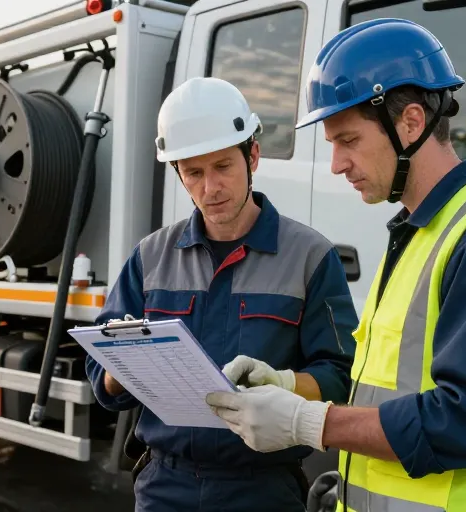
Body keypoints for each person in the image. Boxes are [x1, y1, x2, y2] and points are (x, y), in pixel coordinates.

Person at [205, 18, 466, 512]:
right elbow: (390, 393)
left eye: (348, 140)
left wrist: (308, 423)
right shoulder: (421, 231)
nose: (336, 164)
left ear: (412, 123)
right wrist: (289, 387)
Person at [85, 76, 358, 511]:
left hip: (263, 490)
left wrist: (285, 383)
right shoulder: (149, 257)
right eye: (193, 172)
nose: (209, 188)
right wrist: (121, 364)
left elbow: (343, 379)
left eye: (222, 167)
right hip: (164, 487)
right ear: (178, 173)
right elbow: (101, 376)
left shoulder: (310, 256)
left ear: (252, 155)